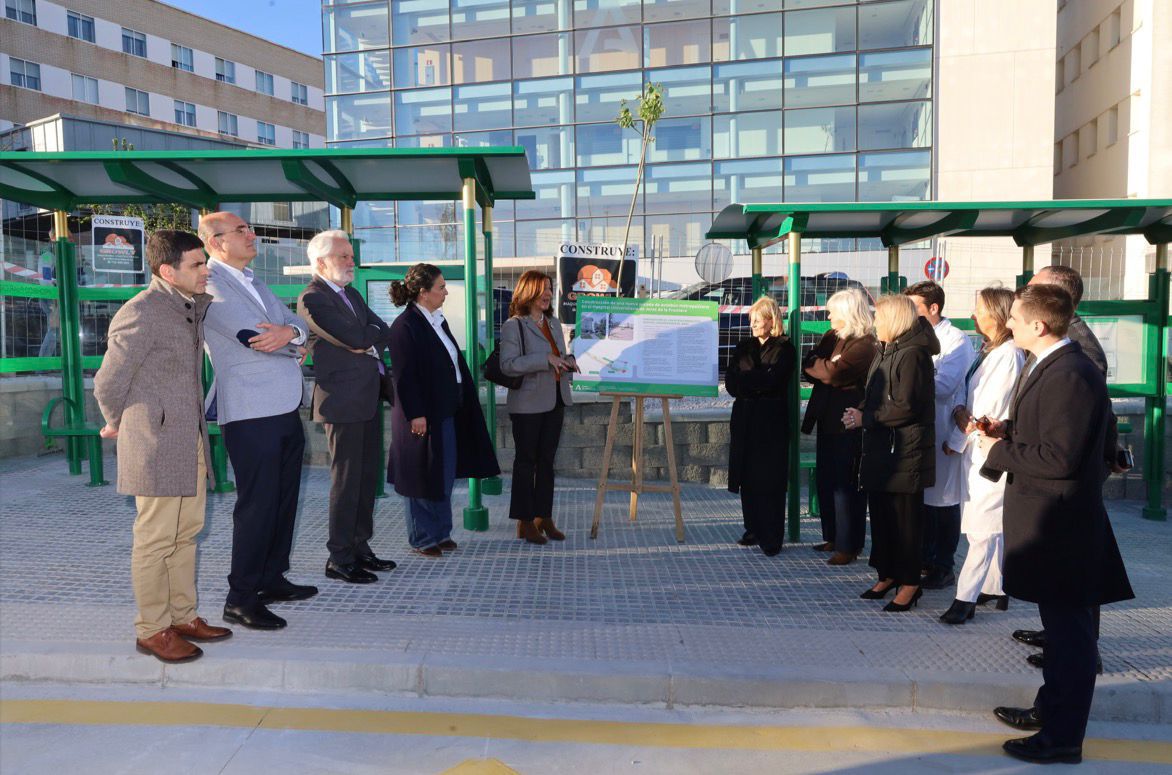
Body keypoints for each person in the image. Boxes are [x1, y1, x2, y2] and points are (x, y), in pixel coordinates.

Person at [978, 284, 1133, 765]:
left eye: (1016, 319)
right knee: (1062, 634)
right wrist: (1008, 432)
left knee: (1071, 639)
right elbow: (1052, 435)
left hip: (1062, 525)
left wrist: (999, 450)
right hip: (1054, 522)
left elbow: (1060, 458)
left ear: (1039, 326)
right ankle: (1050, 711)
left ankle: (1063, 737)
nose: (1009, 325)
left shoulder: (1070, 373)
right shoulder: (1053, 365)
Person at [93, 230, 232, 663]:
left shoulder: (188, 307)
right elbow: (108, 381)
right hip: (156, 443)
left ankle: (183, 616)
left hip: (189, 441)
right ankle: (153, 629)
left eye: (204, 262)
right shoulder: (143, 311)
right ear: (168, 271)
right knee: (155, 539)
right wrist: (118, 423)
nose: (206, 270)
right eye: (197, 264)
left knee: (185, 534)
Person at [199, 212, 317, 631]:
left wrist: (292, 334)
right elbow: (255, 337)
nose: (251, 235)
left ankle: (271, 578)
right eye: (241, 230)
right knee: (257, 506)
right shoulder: (211, 283)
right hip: (250, 412)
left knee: (284, 500)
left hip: (282, 406)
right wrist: (291, 338)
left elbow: (297, 324)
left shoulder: (255, 281)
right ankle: (241, 598)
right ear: (216, 242)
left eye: (249, 228)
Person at [1013, 265, 1125, 667]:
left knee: (1075, 566)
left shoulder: (1079, 349)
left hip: (1069, 475)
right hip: (1053, 470)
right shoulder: (1059, 339)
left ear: (1056, 295)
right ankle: (1059, 635)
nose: (1024, 291)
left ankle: (1080, 648)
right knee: (1059, 568)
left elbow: (1081, 412)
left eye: (1033, 286)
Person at [297, 230, 397, 584]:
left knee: (367, 478)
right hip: (341, 401)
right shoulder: (313, 298)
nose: (351, 262)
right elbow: (356, 336)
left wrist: (364, 340)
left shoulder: (351, 293)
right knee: (346, 480)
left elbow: (382, 329)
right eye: (344, 256)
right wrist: (363, 338)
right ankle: (339, 557)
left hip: (367, 397)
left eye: (351, 255)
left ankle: (360, 547)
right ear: (321, 261)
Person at [386, 263, 500, 557]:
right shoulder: (405, 326)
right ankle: (423, 538)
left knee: (443, 473)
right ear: (423, 293)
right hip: (422, 415)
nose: (446, 292)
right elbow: (405, 376)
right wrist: (416, 414)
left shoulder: (437, 320)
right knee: (420, 475)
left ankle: (440, 532)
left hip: (446, 410)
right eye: (441, 287)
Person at [843, 295, 938, 612]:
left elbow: (907, 406)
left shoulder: (914, 355)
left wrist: (866, 418)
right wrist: (860, 411)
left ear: (895, 320)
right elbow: (876, 394)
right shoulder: (887, 350)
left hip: (904, 453)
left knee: (905, 522)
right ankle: (887, 574)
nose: (875, 323)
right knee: (883, 518)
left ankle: (910, 582)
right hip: (882, 449)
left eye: (879, 318)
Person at [938, 288, 1023, 624]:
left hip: (989, 450)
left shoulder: (1008, 355)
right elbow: (964, 395)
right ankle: (996, 588)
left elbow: (986, 411)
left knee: (982, 527)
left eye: (979, 309)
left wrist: (958, 432)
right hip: (977, 448)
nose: (973, 315)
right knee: (986, 523)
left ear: (997, 316)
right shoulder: (989, 351)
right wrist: (959, 413)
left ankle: (965, 598)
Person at [903, 281, 973, 591]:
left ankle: (943, 565)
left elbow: (944, 387)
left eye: (915, 307)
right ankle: (925, 558)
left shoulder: (955, 340)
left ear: (934, 308)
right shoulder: (913, 336)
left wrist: (912, 379)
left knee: (943, 501)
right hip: (921, 428)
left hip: (944, 427)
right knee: (925, 500)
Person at [499, 270, 577, 545]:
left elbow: (557, 356)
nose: (548, 294)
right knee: (526, 463)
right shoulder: (514, 325)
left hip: (556, 399)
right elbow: (508, 365)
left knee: (547, 462)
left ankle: (544, 517)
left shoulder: (553, 323)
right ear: (528, 292)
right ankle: (524, 521)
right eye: (542, 289)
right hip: (527, 405)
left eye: (550, 288)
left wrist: (567, 360)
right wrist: (545, 359)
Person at [801, 288, 877, 565]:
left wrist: (824, 366)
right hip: (826, 420)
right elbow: (808, 364)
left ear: (848, 313)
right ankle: (832, 536)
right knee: (827, 482)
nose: (829, 316)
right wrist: (823, 365)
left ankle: (849, 545)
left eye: (833, 312)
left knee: (847, 486)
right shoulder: (831, 337)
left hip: (849, 423)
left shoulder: (865, 345)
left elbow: (834, 374)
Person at [725, 296, 795, 557]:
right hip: (745, 419)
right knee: (748, 477)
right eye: (751, 319)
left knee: (769, 479)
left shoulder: (784, 348)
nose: (752, 324)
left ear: (771, 320)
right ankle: (752, 528)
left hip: (770, 422)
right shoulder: (744, 346)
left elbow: (774, 381)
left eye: (757, 320)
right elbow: (731, 383)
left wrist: (748, 378)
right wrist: (756, 379)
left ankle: (771, 536)